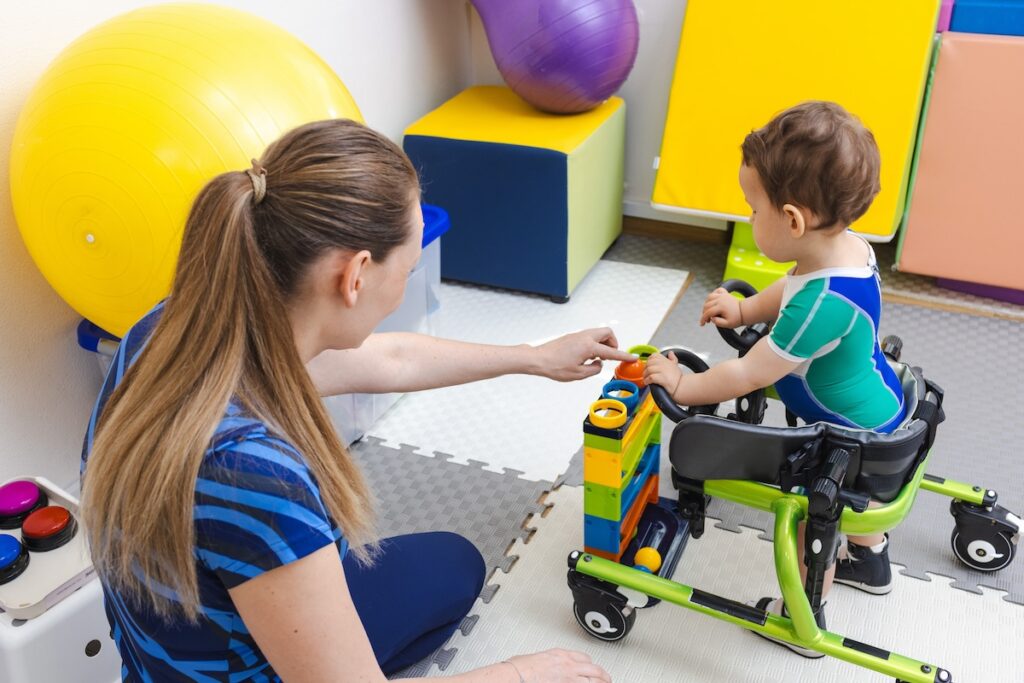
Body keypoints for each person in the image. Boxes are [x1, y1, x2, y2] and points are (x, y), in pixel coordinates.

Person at [81, 118, 619, 682]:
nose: (408, 282)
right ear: (356, 275)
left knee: (453, 565)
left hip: (162, 653)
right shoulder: (255, 476)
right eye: (408, 269)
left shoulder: (172, 327)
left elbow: (393, 360)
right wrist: (520, 674)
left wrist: (533, 356)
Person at [643, 101, 905, 657]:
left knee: (819, 514)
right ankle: (872, 560)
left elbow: (747, 372)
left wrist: (684, 387)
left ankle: (802, 618)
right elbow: (791, 288)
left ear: (791, 220)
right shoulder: (847, 247)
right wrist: (743, 312)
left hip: (852, 437)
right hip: (875, 412)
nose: (746, 219)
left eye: (750, 209)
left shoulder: (825, 304)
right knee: (852, 501)